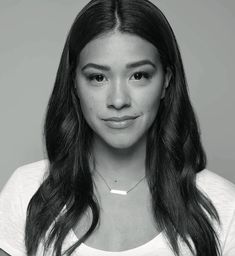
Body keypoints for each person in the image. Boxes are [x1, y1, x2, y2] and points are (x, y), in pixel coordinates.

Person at [0, 0, 235, 255]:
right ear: (74, 84)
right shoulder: (26, 191)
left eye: (139, 75)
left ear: (166, 80)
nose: (118, 100)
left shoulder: (223, 206)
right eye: (98, 77)